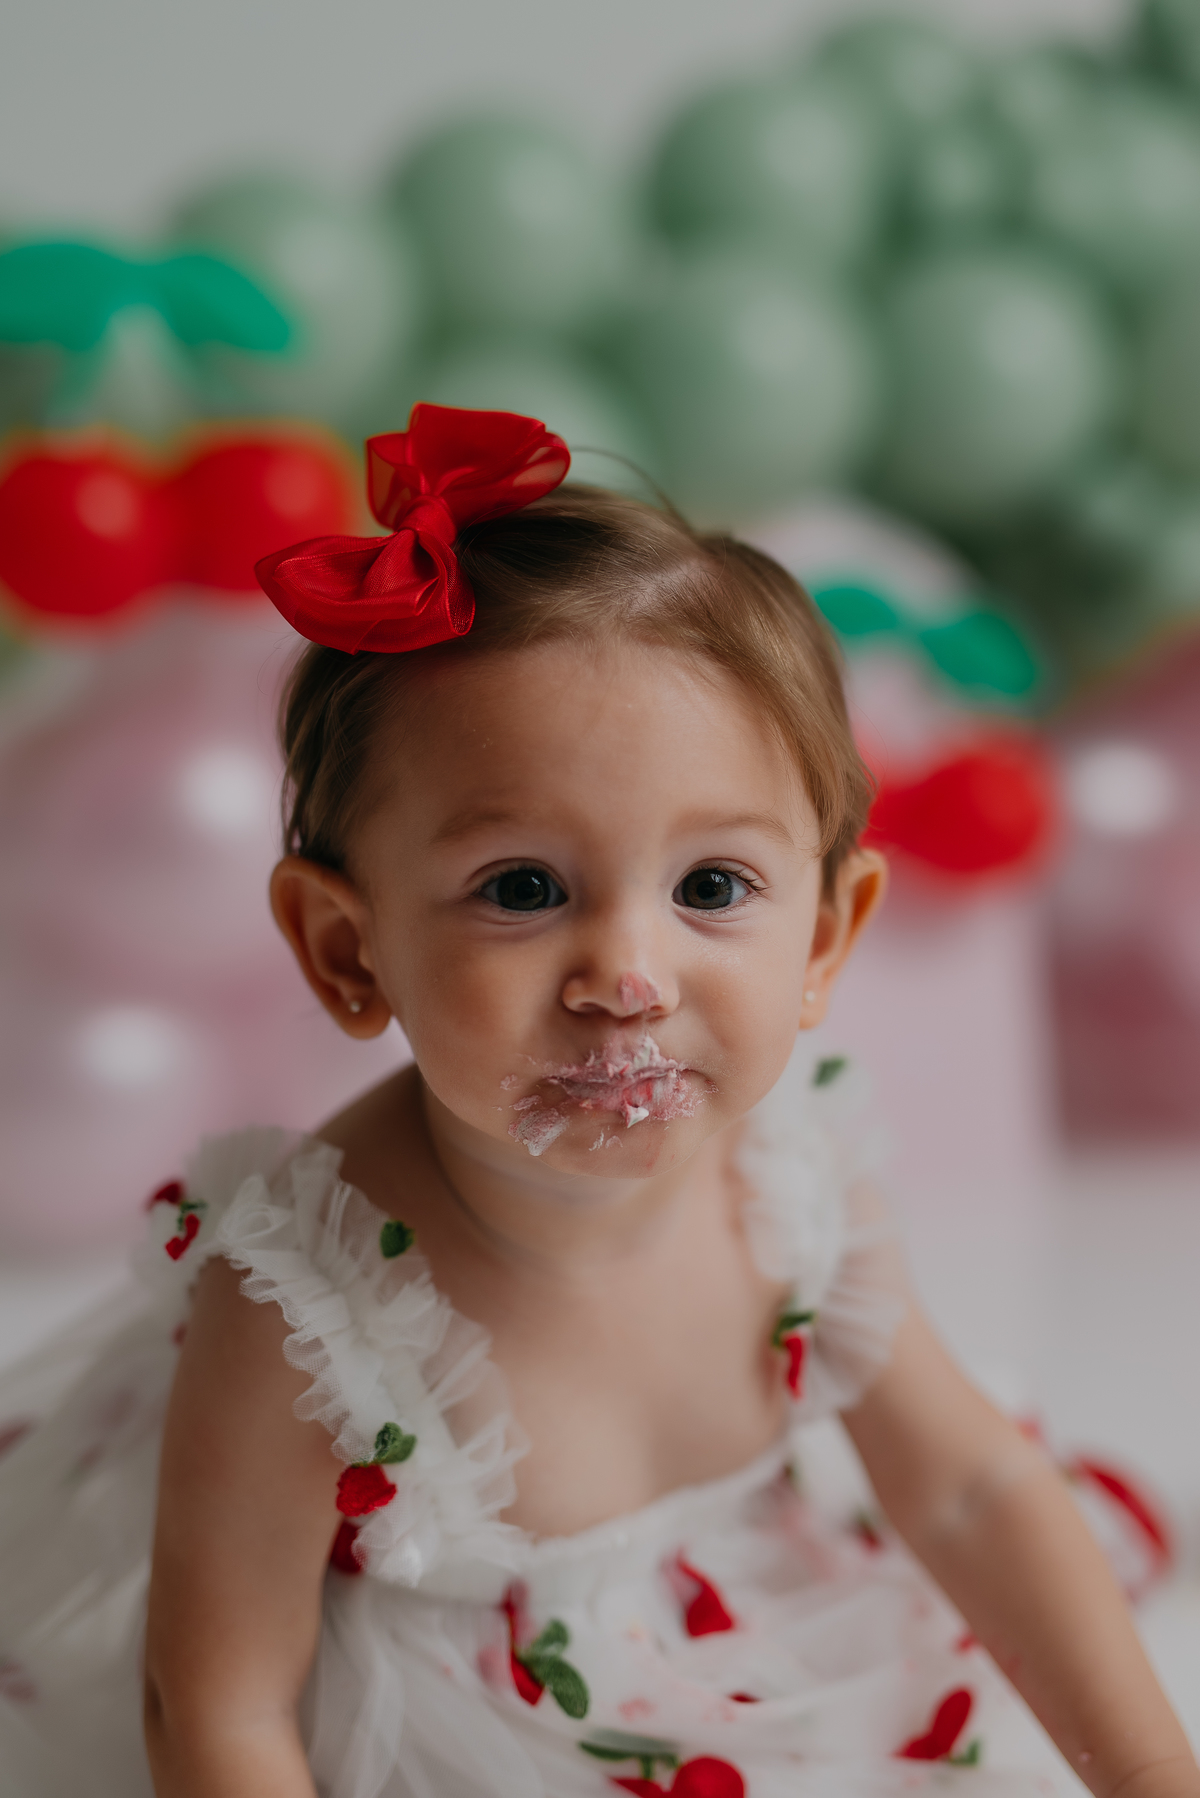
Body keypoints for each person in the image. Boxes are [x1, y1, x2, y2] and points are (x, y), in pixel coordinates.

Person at [0, 406, 1195, 1798]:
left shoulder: (790, 1185)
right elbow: (220, 1704)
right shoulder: (308, 1310)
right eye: (522, 888)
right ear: (347, 949)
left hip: (716, 1631)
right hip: (442, 1736)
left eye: (712, 886)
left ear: (825, 937)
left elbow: (971, 1487)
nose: (629, 975)